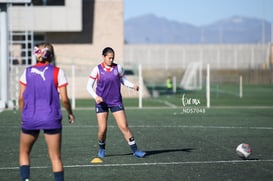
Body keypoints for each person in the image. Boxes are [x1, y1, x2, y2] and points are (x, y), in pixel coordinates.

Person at [19, 42, 75, 181]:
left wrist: (24, 114)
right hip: (51, 118)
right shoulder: (58, 72)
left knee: (24, 152)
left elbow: (21, 98)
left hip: (30, 118)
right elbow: (65, 99)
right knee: (55, 157)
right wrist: (70, 113)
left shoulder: (26, 72)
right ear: (52, 55)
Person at [86, 47, 145, 158]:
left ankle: (136, 150)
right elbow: (88, 86)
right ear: (103, 57)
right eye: (109, 58)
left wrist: (133, 86)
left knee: (124, 126)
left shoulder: (118, 68)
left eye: (113, 58)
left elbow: (123, 80)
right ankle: (102, 148)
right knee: (102, 129)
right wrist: (96, 97)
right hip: (101, 103)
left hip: (116, 101)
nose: (111, 60)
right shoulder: (97, 69)